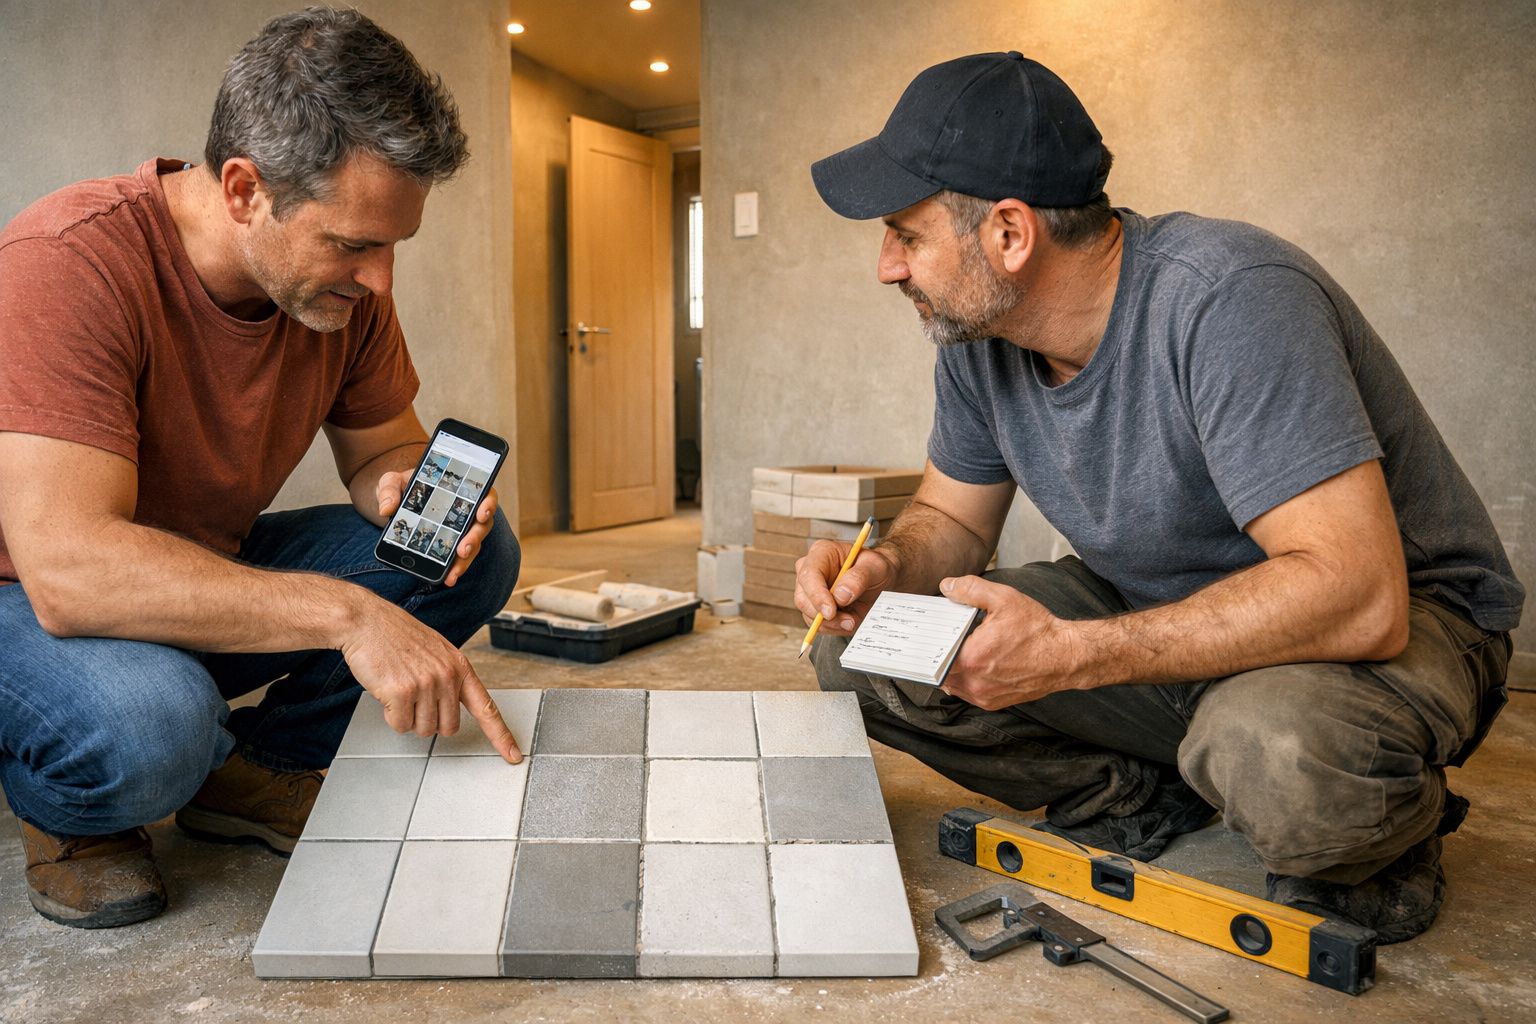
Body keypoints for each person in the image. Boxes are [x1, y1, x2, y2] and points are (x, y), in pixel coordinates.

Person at [799, 51, 1522, 944]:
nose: (887, 266)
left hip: (1392, 621)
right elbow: (951, 518)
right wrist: (884, 570)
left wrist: (1073, 656)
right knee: (868, 652)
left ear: (1010, 234)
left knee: (1278, 756)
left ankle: (1384, 831)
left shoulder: (1229, 299)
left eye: (905, 235)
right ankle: (1139, 788)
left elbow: (1361, 598)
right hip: (1153, 608)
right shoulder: (978, 339)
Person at [0, 8, 523, 930]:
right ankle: (75, 811)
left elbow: (384, 447)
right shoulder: (66, 263)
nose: (380, 279)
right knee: (154, 727)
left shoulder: (345, 297)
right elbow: (71, 573)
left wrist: (399, 487)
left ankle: (254, 770)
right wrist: (349, 615)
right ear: (245, 189)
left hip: (198, 564)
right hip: (29, 598)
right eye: (354, 244)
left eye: (393, 245)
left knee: (464, 553)